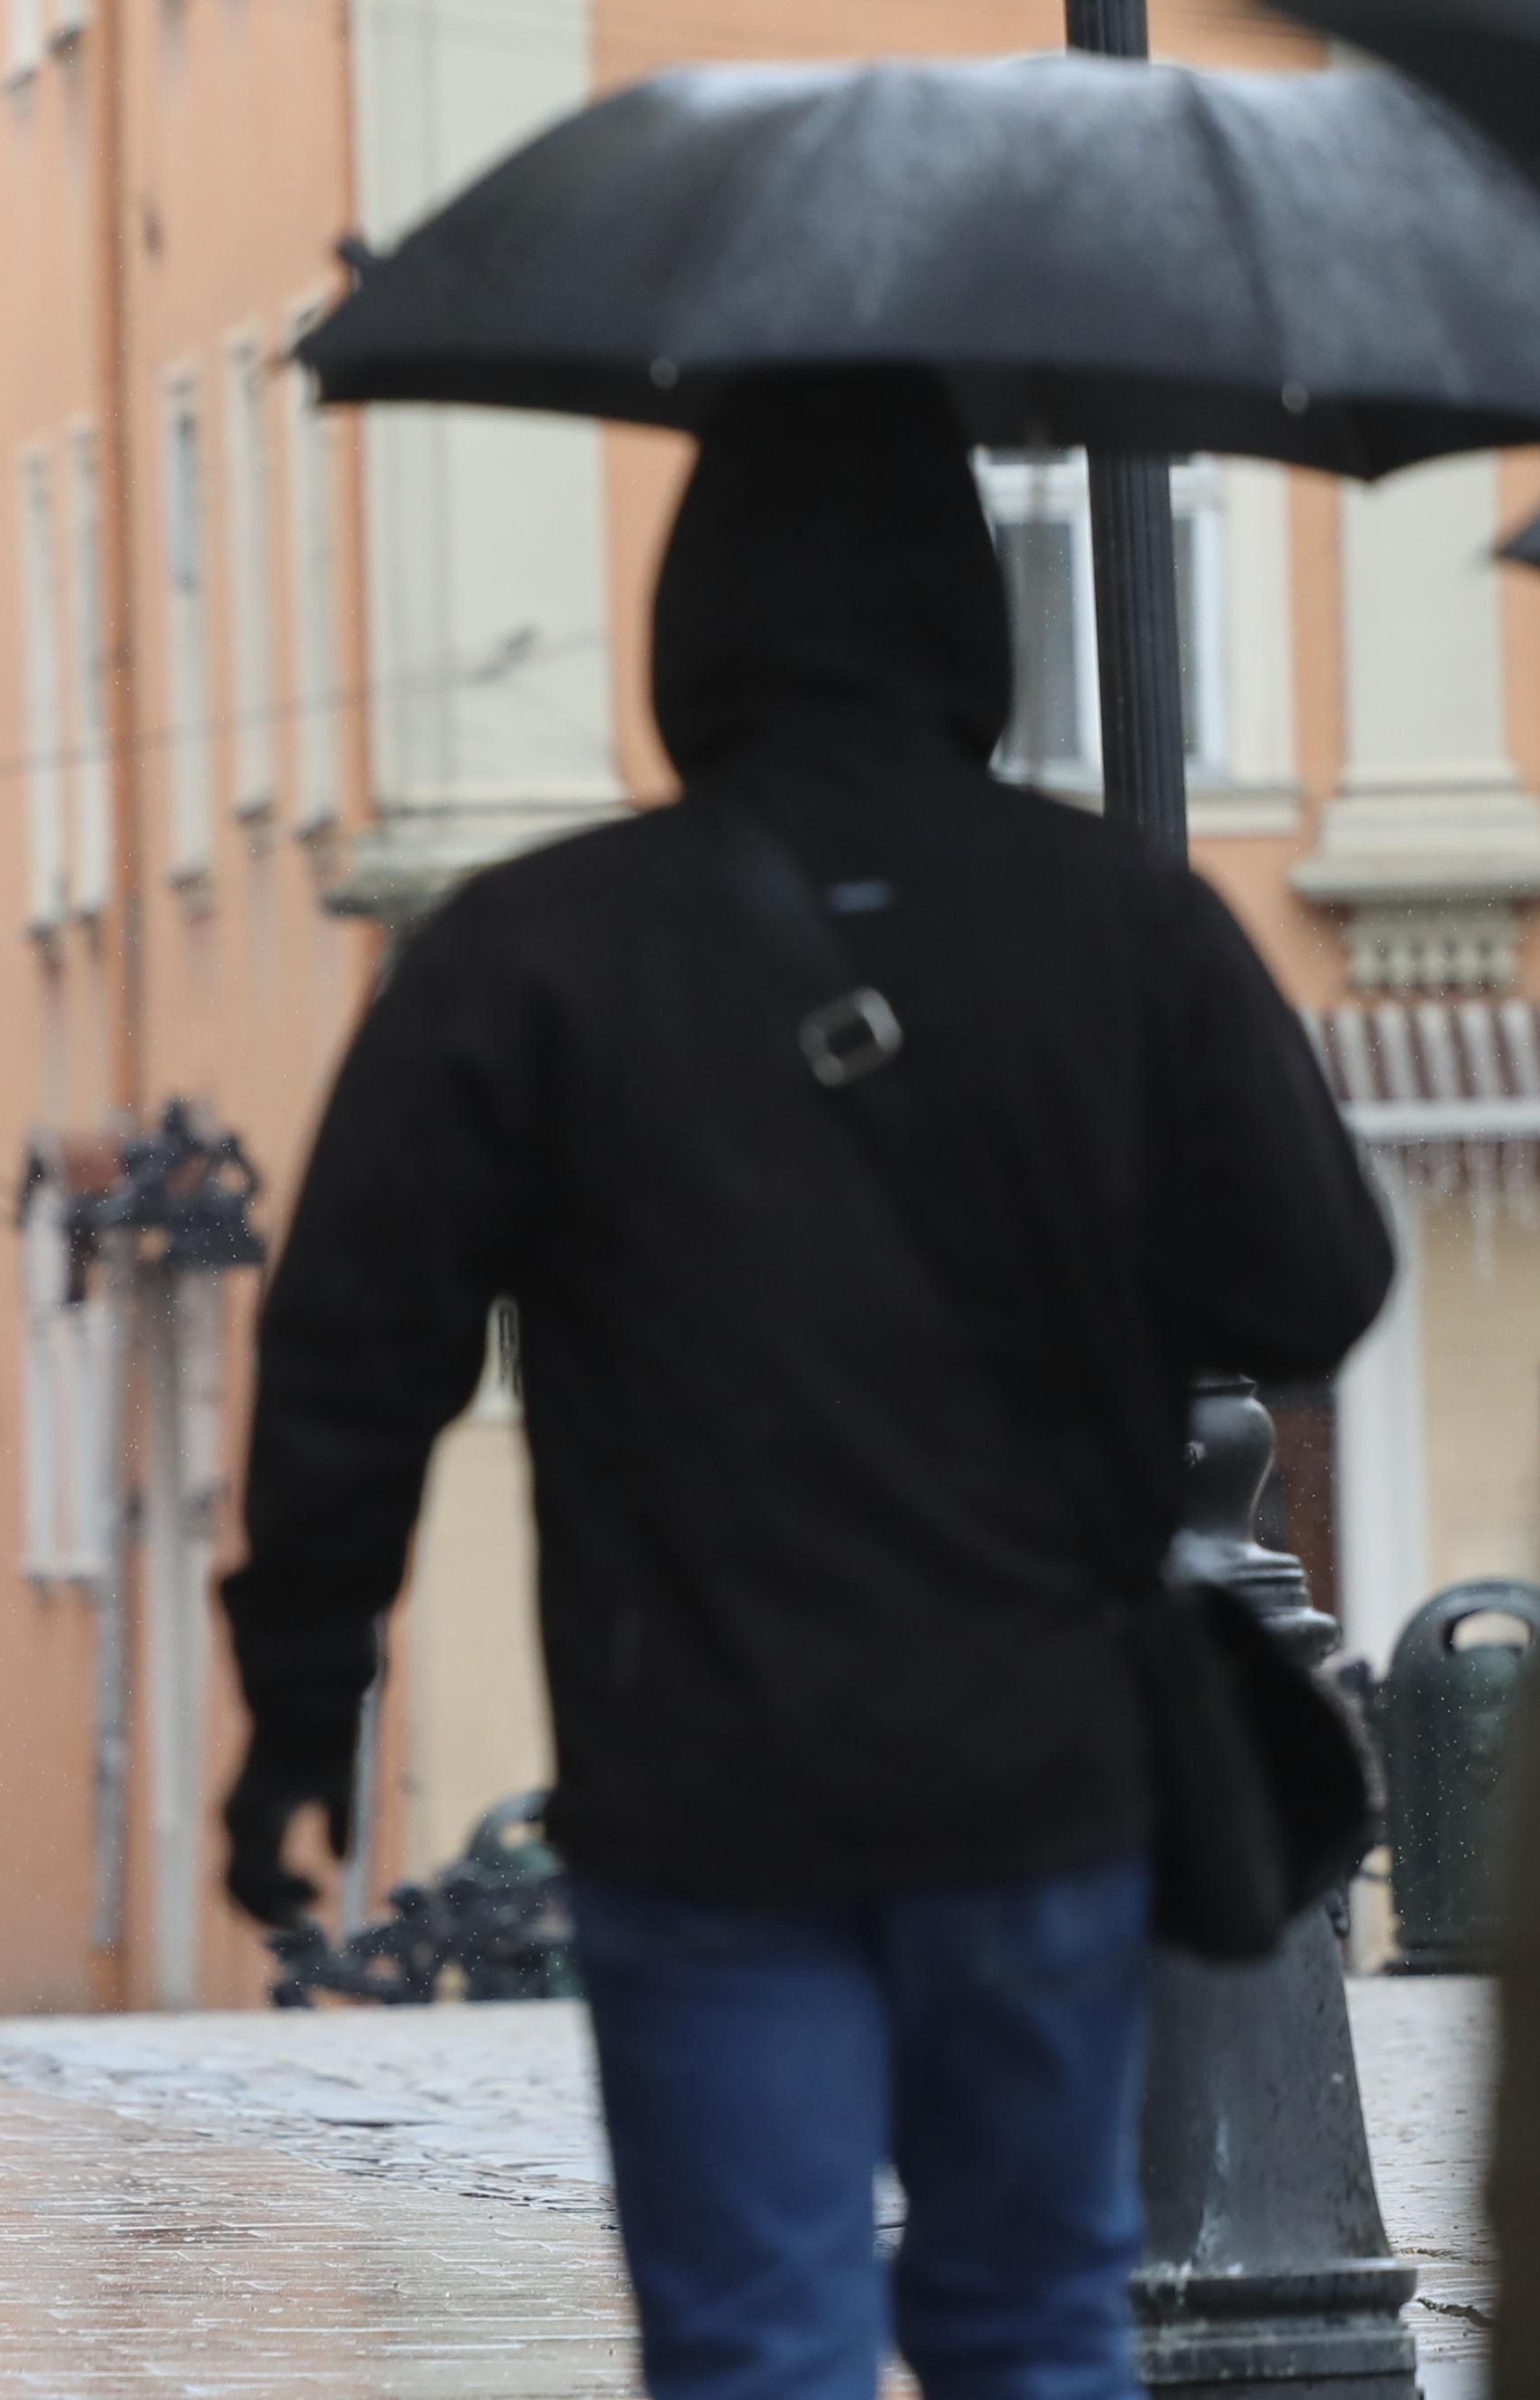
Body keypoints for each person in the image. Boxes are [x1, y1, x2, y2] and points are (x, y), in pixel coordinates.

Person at [214, 368, 1392, 2400]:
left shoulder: (531, 952)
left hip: (704, 1779)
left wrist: (301, 1715)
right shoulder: (1128, 928)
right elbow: (1314, 1272)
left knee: (755, 2341)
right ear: (968, 615)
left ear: (694, 621)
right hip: (1039, 1762)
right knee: (1035, 2325)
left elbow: (348, 1359)